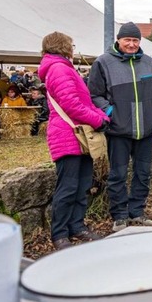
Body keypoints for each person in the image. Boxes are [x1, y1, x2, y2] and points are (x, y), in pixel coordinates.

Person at [89, 21, 152, 232]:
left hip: (146, 130)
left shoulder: (149, 63)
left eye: (135, 40)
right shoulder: (103, 63)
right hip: (119, 130)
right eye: (128, 40)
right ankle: (120, 216)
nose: (132, 44)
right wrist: (109, 112)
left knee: (143, 174)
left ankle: (137, 213)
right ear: (119, 40)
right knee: (118, 175)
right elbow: (94, 94)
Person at [39, 32, 106, 251]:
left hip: (78, 136)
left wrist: (101, 115)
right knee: (67, 187)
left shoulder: (63, 68)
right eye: (71, 45)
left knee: (82, 184)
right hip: (68, 135)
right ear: (64, 46)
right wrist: (98, 119)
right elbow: (71, 104)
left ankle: (76, 225)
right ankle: (59, 233)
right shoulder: (59, 69)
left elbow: (81, 101)